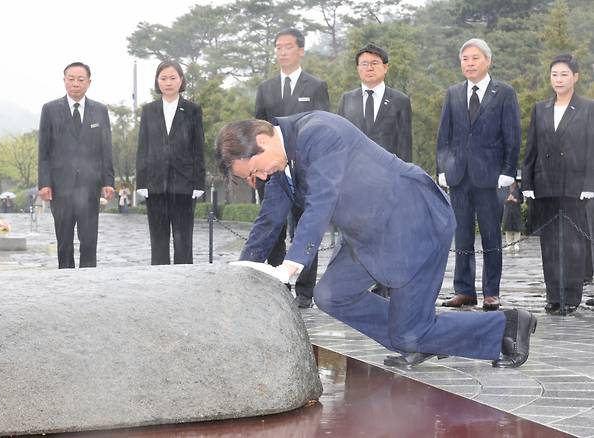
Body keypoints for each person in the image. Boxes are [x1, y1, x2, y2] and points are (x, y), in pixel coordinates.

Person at [216, 111, 536, 368]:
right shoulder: (278, 169)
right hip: (368, 235)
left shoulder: (319, 131)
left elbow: (320, 204)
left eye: (254, 171)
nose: (257, 180)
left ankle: (505, 328)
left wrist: (289, 268)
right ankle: (418, 338)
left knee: (410, 332)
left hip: (411, 220)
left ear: (262, 140)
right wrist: (244, 273)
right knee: (331, 295)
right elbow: (268, 221)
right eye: (251, 179)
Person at [436, 38, 521, 311]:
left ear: (488, 61)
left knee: (490, 235)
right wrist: (442, 169)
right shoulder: (452, 93)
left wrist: (508, 172)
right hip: (459, 176)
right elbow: (444, 136)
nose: (469, 63)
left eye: (475, 58)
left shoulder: (504, 93)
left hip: (492, 177)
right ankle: (464, 290)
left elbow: (513, 135)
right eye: (465, 59)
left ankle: (491, 292)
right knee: (461, 235)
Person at [254, 28, 330, 308]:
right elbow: (258, 130)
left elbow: (323, 127)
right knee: (273, 231)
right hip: (273, 172)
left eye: (288, 47)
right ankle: (279, 285)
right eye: (278, 47)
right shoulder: (266, 88)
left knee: (304, 229)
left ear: (300, 51)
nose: (282, 52)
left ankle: (305, 292)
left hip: (305, 172)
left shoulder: (316, 86)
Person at [522, 54, 594, 315]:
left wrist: (590, 182)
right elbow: (532, 148)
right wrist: (527, 180)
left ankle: (571, 297)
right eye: (554, 74)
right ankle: (553, 295)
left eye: (564, 74)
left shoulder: (587, 108)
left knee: (573, 243)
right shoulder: (540, 109)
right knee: (550, 243)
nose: (559, 79)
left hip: (575, 185)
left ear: (575, 77)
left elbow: (591, 148)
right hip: (545, 185)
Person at [38, 62, 115, 269]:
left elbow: (105, 149)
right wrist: (44, 183)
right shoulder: (50, 109)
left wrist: (108, 181)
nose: (75, 84)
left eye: (81, 80)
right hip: (60, 187)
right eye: (71, 79)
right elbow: (44, 151)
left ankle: (89, 283)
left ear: (89, 82)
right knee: (64, 242)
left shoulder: (100, 110)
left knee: (89, 241)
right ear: (64, 81)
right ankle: (65, 282)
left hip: (90, 187)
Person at [135, 61, 205, 265]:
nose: (168, 82)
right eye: (163, 78)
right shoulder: (149, 110)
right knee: (158, 239)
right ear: (157, 81)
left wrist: (198, 183)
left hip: (184, 185)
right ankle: (159, 283)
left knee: (183, 240)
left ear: (181, 80)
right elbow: (143, 147)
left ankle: (184, 284)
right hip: (155, 184)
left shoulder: (192, 110)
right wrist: (141, 182)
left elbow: (198, 147)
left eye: (173, 78)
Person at [337, 43, 412, 162]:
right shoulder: (347, 99)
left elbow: (405, 145)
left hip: (387, 172)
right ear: (358, 68)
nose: (369, 68)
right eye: (364, 64)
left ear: (385, 67)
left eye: (374, 63)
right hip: (353, 172)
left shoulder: (400, 100)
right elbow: (339, 140)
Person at [502, 180, 523, 252]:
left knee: (517, 228)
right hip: (508, 211)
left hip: (516, 210)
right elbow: (501, 199)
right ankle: (509, 244)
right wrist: (508, 199)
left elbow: (522, 200)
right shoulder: (505, 188)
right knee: (508, 228)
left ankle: (516, 244)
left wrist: (514, 200)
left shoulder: (519, 189)